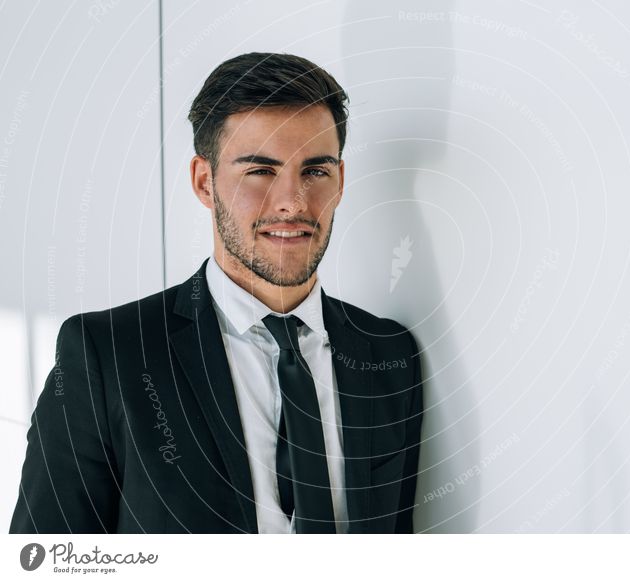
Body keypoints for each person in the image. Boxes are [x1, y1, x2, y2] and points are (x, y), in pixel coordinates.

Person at [9, 52, 424, 534]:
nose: (293, 201)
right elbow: (44, 559)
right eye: (260, 171)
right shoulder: (108, 354)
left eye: (315, 171)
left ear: (340, 180)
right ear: (205, 183)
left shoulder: (389, 354)